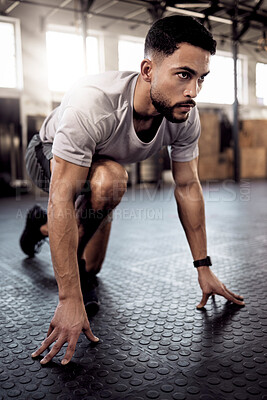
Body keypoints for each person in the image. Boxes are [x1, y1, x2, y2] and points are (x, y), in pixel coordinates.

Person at [20, 15, 245, 366]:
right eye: (184, 74)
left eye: (201, 78)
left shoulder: (183, 115)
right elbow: (61, 198)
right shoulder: (94, 103)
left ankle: (41, 226)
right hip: (46, 153)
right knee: (112, 180)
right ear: (148, 69)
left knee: (91, 266)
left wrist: (203, 266)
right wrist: (69, 298)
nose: (194, 91)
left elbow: (187, 186)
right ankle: (53, 229)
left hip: (100, 172)